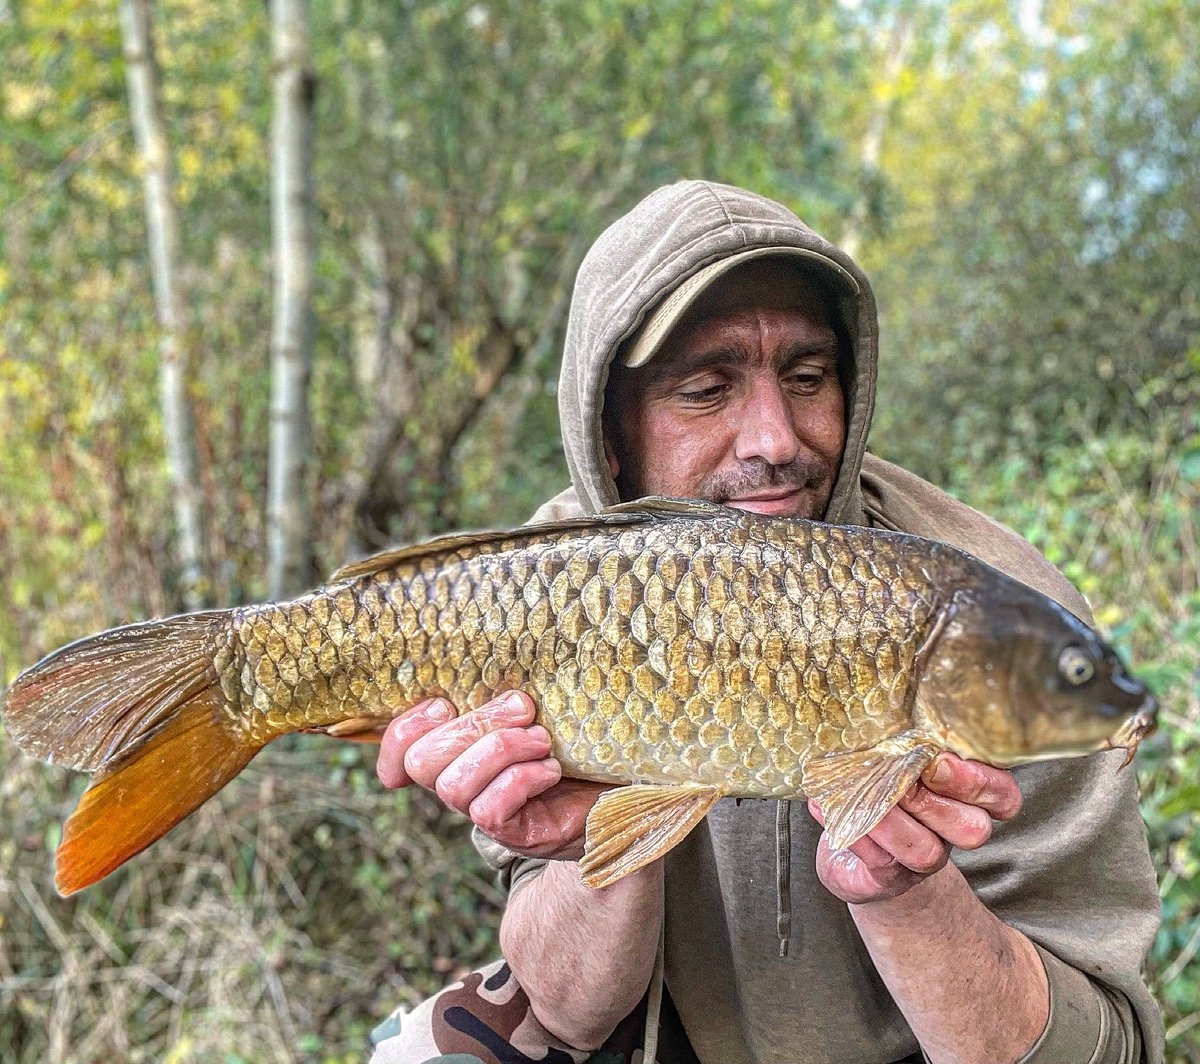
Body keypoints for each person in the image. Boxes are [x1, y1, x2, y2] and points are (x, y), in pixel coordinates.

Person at [369, 181, 1163, 1064]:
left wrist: (905, 891)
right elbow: (569, 1011)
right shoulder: (544, 589)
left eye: (808, 377)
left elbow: (1113, 1048)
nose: (775, 440)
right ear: (609, 436)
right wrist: (601, 844)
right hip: (663, 1030)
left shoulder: (1010, 622)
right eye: (708, 390)